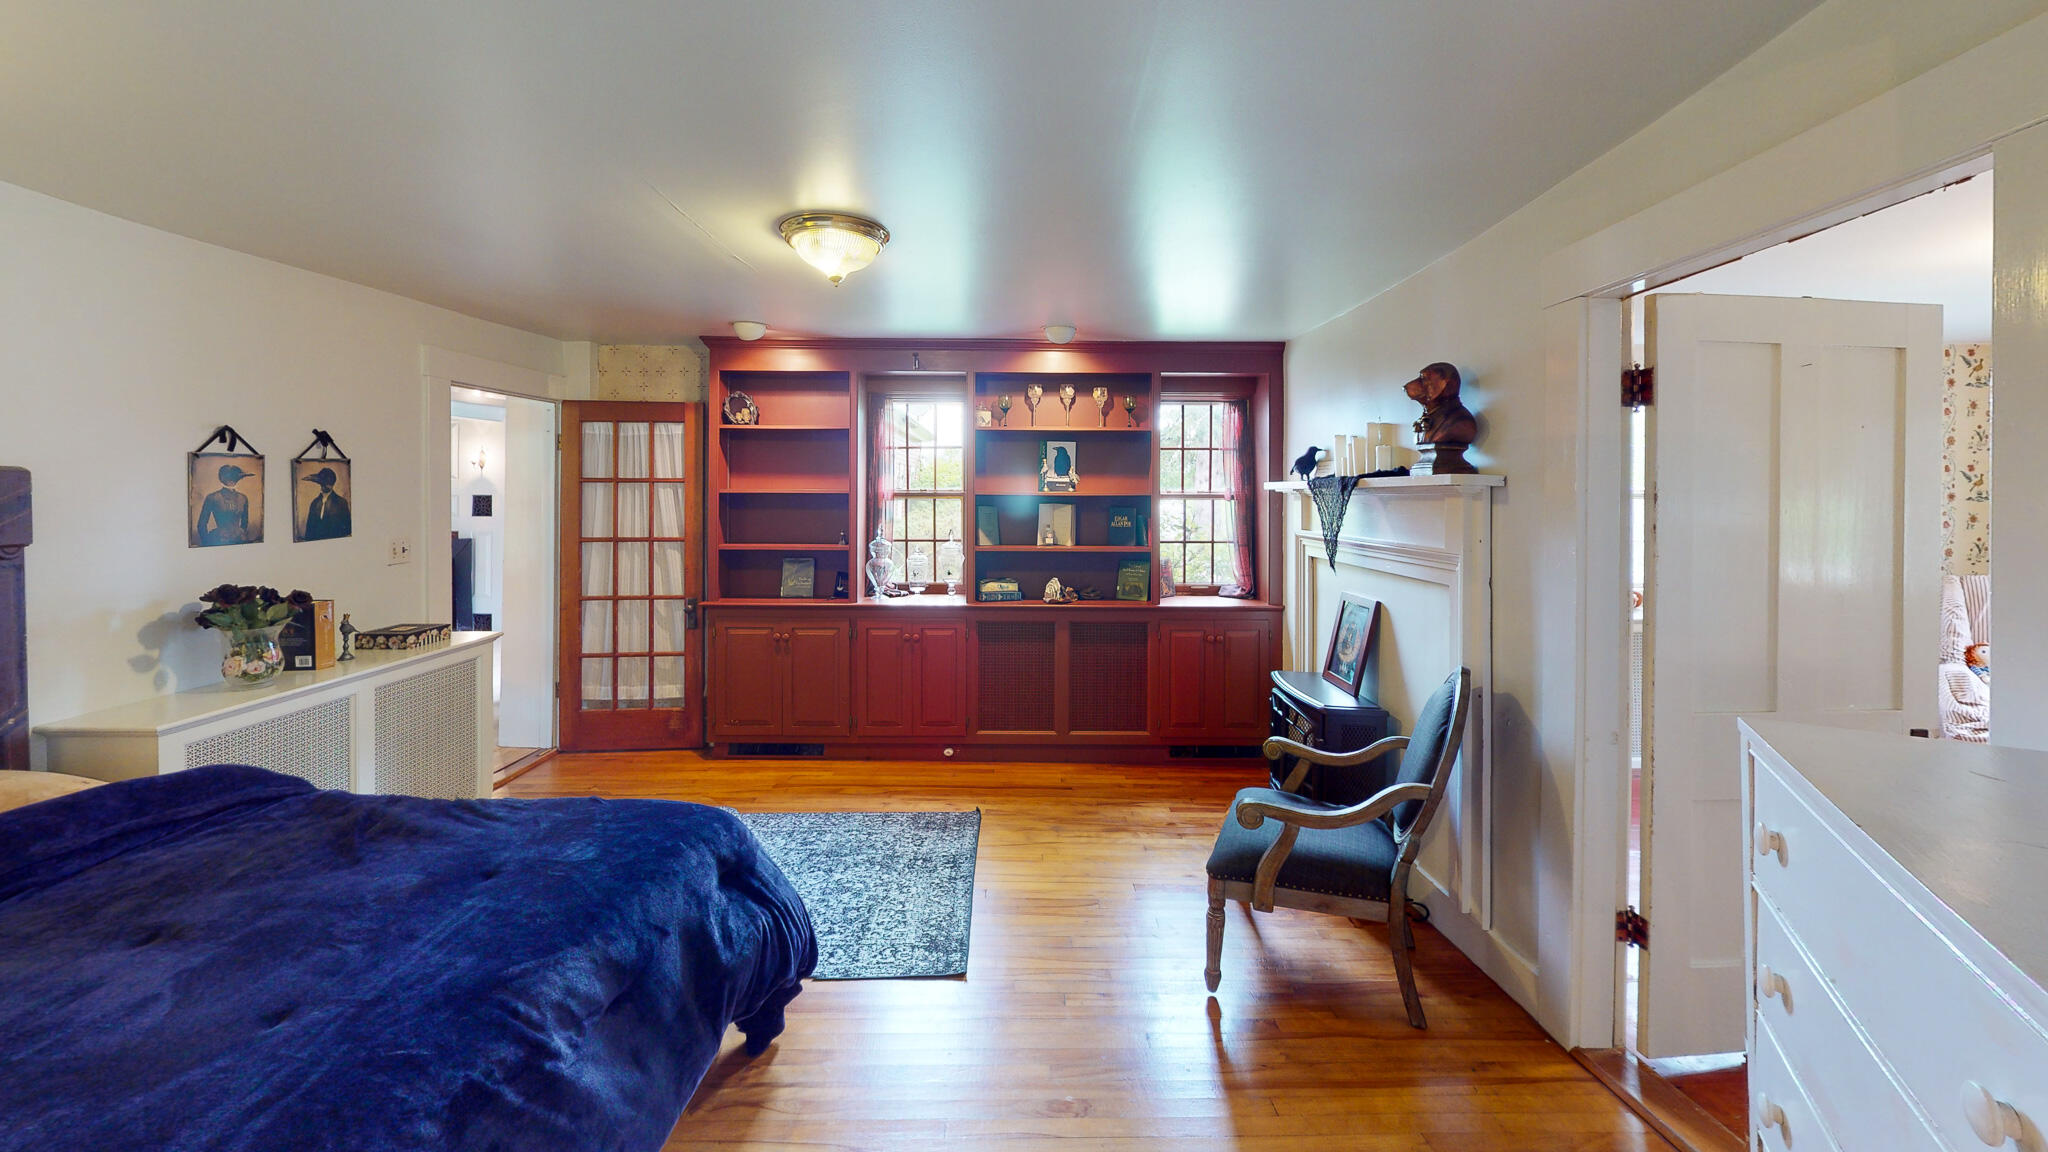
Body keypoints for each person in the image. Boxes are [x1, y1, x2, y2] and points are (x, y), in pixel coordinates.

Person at [1403, 362, 1478, 448]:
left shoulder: (1461, 421)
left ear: (1444, 385)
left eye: (1423, 379)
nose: (1407, 386)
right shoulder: (1428, 416)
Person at [194, 463, 254, 546]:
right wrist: (206, 543)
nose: (231, 481)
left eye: (233, 478)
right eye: (229, 478)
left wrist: (241, 533)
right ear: (223, 479)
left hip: (240, 541)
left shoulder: (243, 498)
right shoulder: (212, 498)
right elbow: (201, 524)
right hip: (219, 539)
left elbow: (245, 522)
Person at [299, 466, 351, 540]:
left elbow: (347, 529)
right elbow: (309, 531)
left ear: (332, 484)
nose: (326, 486)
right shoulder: (314, 503)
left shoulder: (341, 503)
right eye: (323, 483)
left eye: (329, 483)